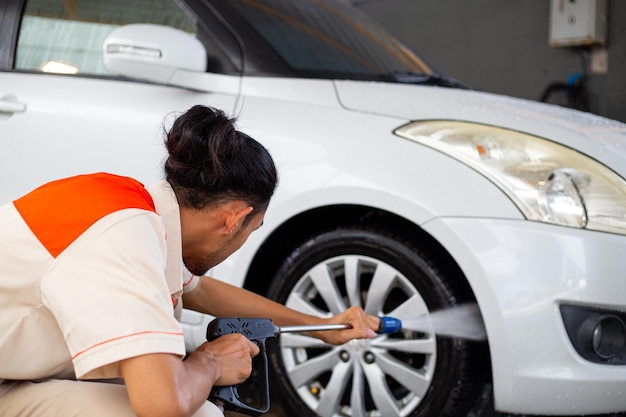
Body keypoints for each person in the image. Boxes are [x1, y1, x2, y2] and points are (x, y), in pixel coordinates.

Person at [0, 105, 380, 417]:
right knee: (195, 413)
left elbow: (200, 289)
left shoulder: (131, 208)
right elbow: (163, 403)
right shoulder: (123, 237)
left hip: (11, 374)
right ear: (233, 219)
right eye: (253, 227)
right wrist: (211, 362)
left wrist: (321, 326)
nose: (244, 238)